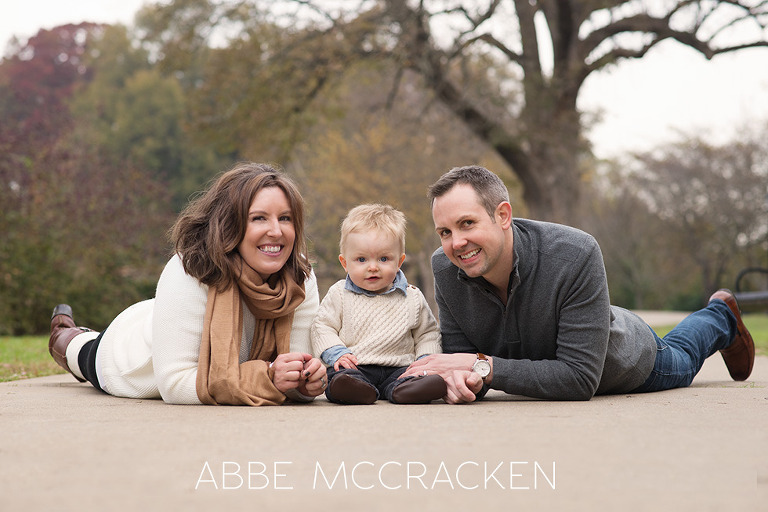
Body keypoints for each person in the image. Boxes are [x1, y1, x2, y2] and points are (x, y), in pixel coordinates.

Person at [403, 165, 755, 404]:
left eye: (467, 223)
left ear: (503, 215)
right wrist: (458, 382)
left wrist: (480, 367)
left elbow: (579, 378)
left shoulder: (574, 252)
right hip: (566, 346)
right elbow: (464, 361)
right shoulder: (444, 267)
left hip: (623, 363)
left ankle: (719, 316)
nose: (456, 243)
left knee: (683, 356)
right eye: (445, 232)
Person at [48, 162, 327, 406]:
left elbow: (291, 373)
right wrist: (266, 377)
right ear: (231, 225)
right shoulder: (190, 268)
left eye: (285, 218)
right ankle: (65, 334)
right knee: (79, 350)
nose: (276, 231)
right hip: (130, 351)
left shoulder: (300, 276)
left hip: (170, 316)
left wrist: (306, 382)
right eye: (259, 218)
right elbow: (173, 383)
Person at [310, 204, 446, 404]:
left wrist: (425, 360)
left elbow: (427, 333)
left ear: (399, 261)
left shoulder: (412, 297)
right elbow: (322, 326)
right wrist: (337, 353)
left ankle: (407, 390)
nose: (373, 267)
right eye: (361, 259)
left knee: (408, 378)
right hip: (356, 365)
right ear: (345, 263)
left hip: (400, 367)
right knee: (340, 377)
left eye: (384, 259)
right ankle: (355, 390)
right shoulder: (339, 294)